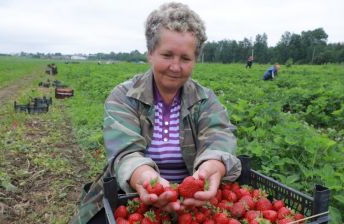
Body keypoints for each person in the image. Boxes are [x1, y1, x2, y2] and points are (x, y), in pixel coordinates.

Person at [71, 2, 241, 223]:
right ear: (150, 53)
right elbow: (125, 152)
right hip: (134, 196)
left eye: (185, 58)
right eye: (167, 55)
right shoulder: (125, 96)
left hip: (194, 201)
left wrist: (212, 167)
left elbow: (219, 138)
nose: (175, 66)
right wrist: (143, 176)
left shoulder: (205, 100)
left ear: (195, 60)